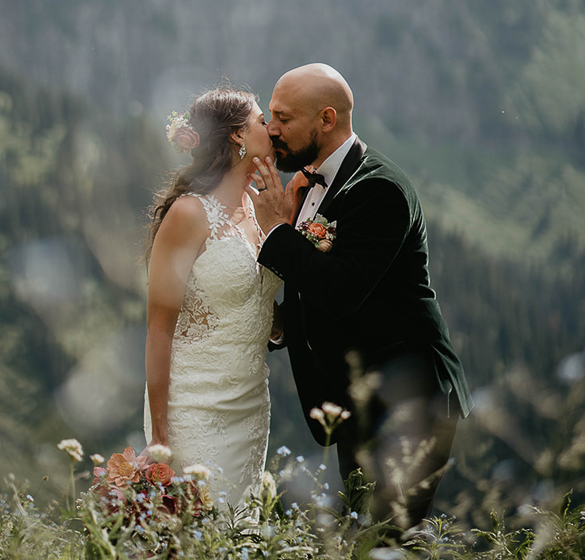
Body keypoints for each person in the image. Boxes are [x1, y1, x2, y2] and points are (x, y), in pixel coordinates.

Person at [251, 63, 472, 536]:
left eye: (283, 118)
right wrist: (283, 326)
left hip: (410, 401)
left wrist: (274, 228)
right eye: (270, 116)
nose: (271, 130)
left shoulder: (379, 189)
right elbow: (319, 295)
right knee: (364, 537)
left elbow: (340, 291)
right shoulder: (309, 184)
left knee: (386, 539)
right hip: (357, 402)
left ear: (326, 120)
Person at [142, 86, 281, 505]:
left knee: (240, 536)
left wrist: (282, 230)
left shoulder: (263, 207)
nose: (272, 130)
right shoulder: (188, 214)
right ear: (238, 135)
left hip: (251, 405)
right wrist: (162, 438)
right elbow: (158, 328)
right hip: (195, 407)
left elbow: (260, 307)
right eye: (262, 122)